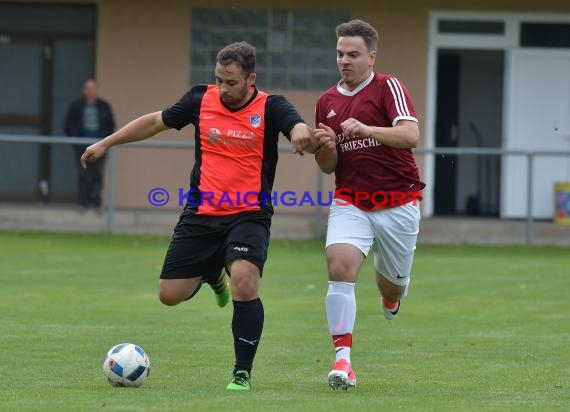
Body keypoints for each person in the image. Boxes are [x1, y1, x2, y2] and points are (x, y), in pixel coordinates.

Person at [80, 42, 319, 391]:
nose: (223, 88)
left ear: (250, 79)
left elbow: (296, 127)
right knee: (168, 294)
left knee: (245, 281)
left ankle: (242, 372)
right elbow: (154, 122)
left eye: (231, 82)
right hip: (201, 213)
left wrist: (302, 136)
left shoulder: (271, 106)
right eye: (219, 80)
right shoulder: (199, 99)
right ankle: (213, 275)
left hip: (248, 214)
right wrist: (107, 142)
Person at [313, 20, 426, 390]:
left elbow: (410, 134)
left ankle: (391, 293)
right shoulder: (326, 102)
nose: (344, 61)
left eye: (353, 54)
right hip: (351, 200)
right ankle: (343, 363)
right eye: (340, 54)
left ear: (371, 56)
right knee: (340, 266)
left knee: (392, 289)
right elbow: (328, 166)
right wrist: (326, 147)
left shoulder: (387, 87)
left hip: (397, 201)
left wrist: (366, 129)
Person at [64, 79, 115, 210]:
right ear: (84, 90)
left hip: (100, 146)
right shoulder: (76, 106)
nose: (90, 91)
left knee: (98, 173)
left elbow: (110, 125)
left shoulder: (104, 106)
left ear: (96, 90)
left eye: (93, 88)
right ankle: (83, 202)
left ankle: (96, 202)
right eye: (88, 88)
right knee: (83, 173)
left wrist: (106, 142)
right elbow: (68, 125)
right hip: (81, 146)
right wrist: (75, 140)